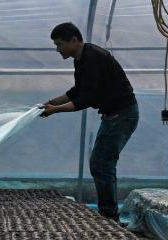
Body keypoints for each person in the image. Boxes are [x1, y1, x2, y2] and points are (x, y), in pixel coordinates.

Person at [41, 23, 139, 222]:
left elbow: (88, 98)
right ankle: (109, 215)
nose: (57, 49)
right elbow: (79, 90)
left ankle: (109, 217)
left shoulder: (92, 58)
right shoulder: (81, 59)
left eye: (59, 44)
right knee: (101, 164)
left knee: (102, 164)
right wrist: (52, 102)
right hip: (115, 115)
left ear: (73, 41)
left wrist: (56, 110)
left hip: (121, 115)